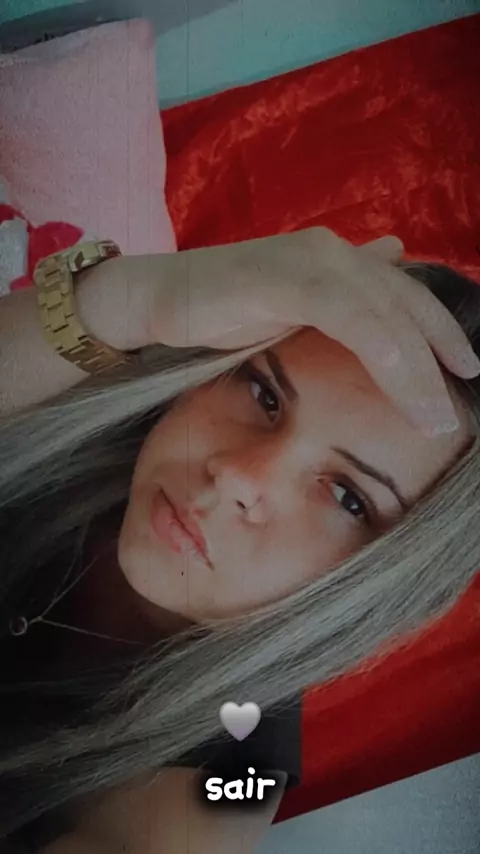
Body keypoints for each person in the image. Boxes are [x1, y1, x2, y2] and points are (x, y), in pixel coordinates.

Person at [1, 227, 479, 854]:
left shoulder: (221, 789)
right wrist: (138, 300)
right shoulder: (95, 394)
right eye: (263, 393)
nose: (236, 477)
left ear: (380, 581)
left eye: (347, 497)